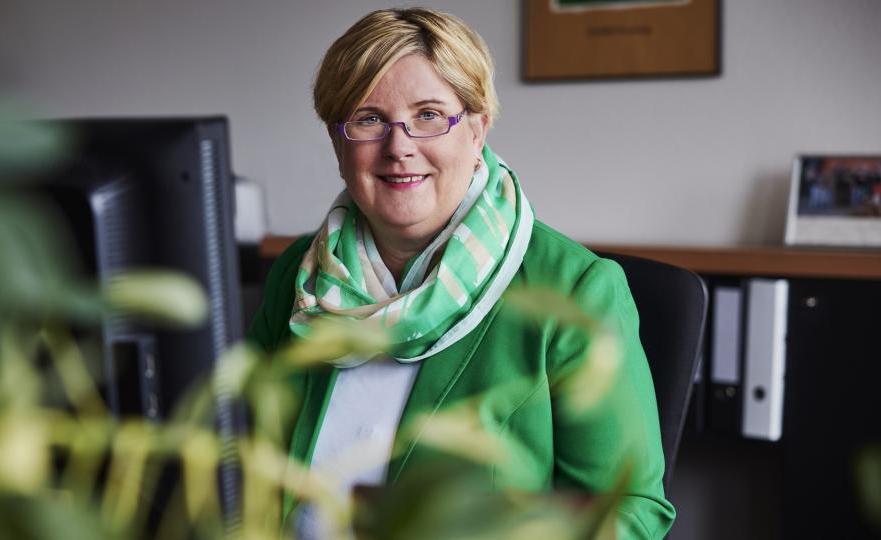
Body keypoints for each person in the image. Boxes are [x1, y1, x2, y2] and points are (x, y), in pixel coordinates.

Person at [247, 7, 675, 539]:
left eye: (429, 115)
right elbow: (246, 463)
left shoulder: (575, 290)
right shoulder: (300, 275)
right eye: (368, 118)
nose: (399, 146)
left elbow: (631, 510)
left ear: (477, 130)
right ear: (338, 144)